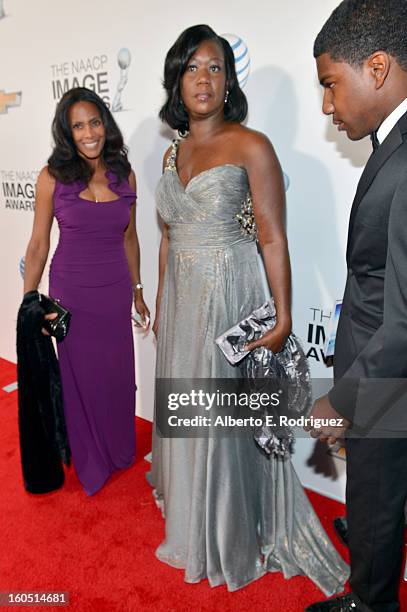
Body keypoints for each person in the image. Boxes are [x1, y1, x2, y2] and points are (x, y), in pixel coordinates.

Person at [149, 24, 348, 594]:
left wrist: (284, 317)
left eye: (214, 66)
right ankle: (190, 510)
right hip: (183, 300)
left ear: (228, 78)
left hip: (230, 294)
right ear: (177, 78)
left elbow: (273, 239)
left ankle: (228, 527)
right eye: (192, 67)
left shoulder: (252, 145)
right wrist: (163, 299)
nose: (203, 78)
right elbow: (168, 234)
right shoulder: (173, 150)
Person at [305, 2, 407, 611]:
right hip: (377, 368)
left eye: (329, 85)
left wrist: (341, 398)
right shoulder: (390, 141)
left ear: (376, 66)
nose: (326, 105)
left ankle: (370, 603)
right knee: (376, 493)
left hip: (382, 376)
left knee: (377, 489)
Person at [23, 87, 150, 496]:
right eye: (78, 126)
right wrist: (30, 300)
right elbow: (39, 244)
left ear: (105, 124)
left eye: (94, 122)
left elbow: (130, 238)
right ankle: (92, 461)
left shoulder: (124, 173)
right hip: (70, 296)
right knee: (79, 380)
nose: (89, 132)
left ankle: (116, 448)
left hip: (114, 292)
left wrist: (137, 290)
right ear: (67, 132)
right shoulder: (51, 177)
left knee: (116, 377)